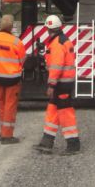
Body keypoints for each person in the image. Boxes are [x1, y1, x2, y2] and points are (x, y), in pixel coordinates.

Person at [34, 14, 80, 155]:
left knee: (65, 113)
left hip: (61, 84)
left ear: (48, 29)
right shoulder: (64, 41)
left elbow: (56, 67)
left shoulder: (57, 44)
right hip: (64, 83)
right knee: (53, 111)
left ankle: (73, 145)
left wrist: (51, 85)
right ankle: (47, 142)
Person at [0, 14, 26, 144]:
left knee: (1, 104)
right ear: (12, 26)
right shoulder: (16, 42)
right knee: (10, 106)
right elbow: (22, 60)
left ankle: (2, 131)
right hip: (12, 79)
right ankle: (7, 136)